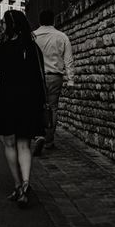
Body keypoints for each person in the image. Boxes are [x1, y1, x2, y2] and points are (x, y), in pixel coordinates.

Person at [0, 10, 46, 207]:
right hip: (29, 101)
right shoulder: (33, 48)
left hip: (8, 100)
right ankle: (26, 182)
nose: (3, 28)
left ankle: (17, 185)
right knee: (24, 144)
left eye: (5, 24)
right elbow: (40, 78)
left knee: (9, 143)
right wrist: (40, 105)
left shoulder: (3, 48)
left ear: (11, 26)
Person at [32, 10, 74, 150]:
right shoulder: (62, 37)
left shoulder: (33, 36)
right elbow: (68, 60)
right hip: (55, 76)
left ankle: (38, 135)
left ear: (39, 21)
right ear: (54, 21)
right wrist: (70, 80)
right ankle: (49, 140)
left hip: (37, 77)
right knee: (53, 108)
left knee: (37, 106)